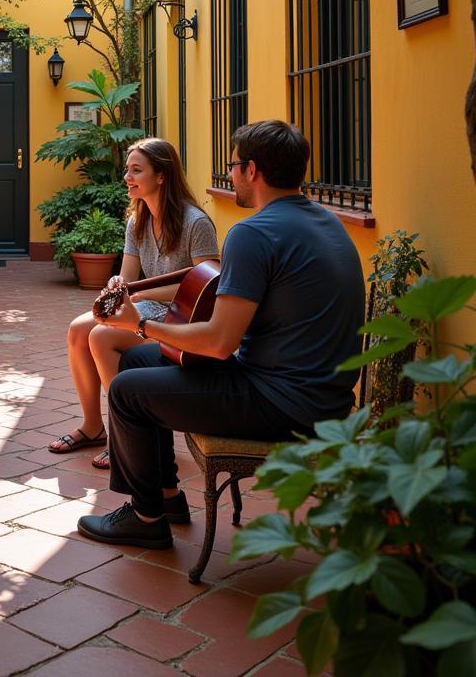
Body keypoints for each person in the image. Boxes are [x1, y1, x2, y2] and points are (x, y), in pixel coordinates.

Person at [78, 120, 365, 550]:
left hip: (283, 401)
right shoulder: (327, 221)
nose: (229, 176)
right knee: (137, 362)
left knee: (125, 391)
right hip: (323, 395)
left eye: (232, 166)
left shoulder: (253, 232)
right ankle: (169, 499)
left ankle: (145, 517)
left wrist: (138, 324)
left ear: (253, 170)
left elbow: (219, 342)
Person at [48, 137, 219, 468]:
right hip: (147, 306)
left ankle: (127, 435)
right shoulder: (137, 220)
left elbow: (204, 287)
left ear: (161, 176)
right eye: (128, 170)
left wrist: (139, 295)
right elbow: (128, 280)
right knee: (77, 330)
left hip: (182, 317)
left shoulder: (195, 223)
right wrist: (116, 290)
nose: (127, 177)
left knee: (100, 336)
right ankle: (93, 426)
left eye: (136, 170)